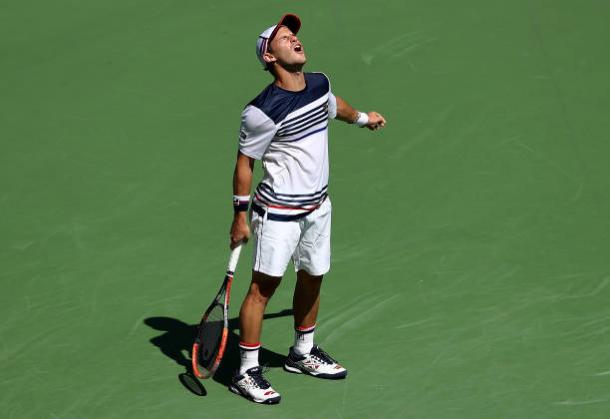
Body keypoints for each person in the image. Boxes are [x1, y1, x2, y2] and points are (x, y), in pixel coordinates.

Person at [228, 13, 386, 404]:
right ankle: (246, 372)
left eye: (295, 35)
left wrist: (363, 119)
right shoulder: (261, 111)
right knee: (264, 288)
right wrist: (239, 216)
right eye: (284, 38)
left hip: (318, 206)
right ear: (269, 56)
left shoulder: (319, 84)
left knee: (313, 275)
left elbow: (335, 106)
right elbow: (245, 163)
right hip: (278, 212)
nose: (295, 40)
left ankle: (302, 352)